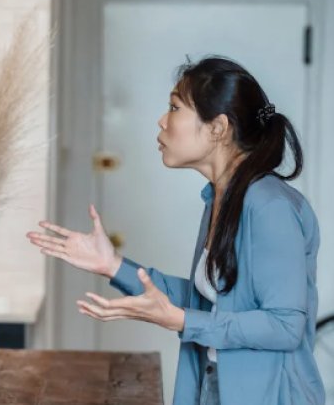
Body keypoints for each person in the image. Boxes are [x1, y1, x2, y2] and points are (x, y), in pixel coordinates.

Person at [28, 56, 324, 405]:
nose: (162, 120)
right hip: (213, 384)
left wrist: (182, 321)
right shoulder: (220, 197)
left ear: (218, 128)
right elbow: (209, 304)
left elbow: (285, 326)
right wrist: (113, 265)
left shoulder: (270, 206)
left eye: (174, 107)